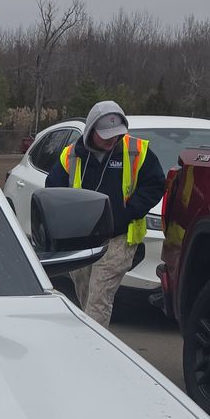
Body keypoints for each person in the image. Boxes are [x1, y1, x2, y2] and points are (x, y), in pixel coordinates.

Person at [44, 100, 164, 326]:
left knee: (99, 299)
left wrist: (128, 212)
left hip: (118, 238)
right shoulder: (71, 155)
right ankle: (91, 335)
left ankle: (93, 345)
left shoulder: (136, 151)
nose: (112, 139)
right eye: (105, 135)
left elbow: (155, 184)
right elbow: (53, 190)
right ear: (91, 130)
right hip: (81, 238)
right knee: (86, 295)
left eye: (116, 134)